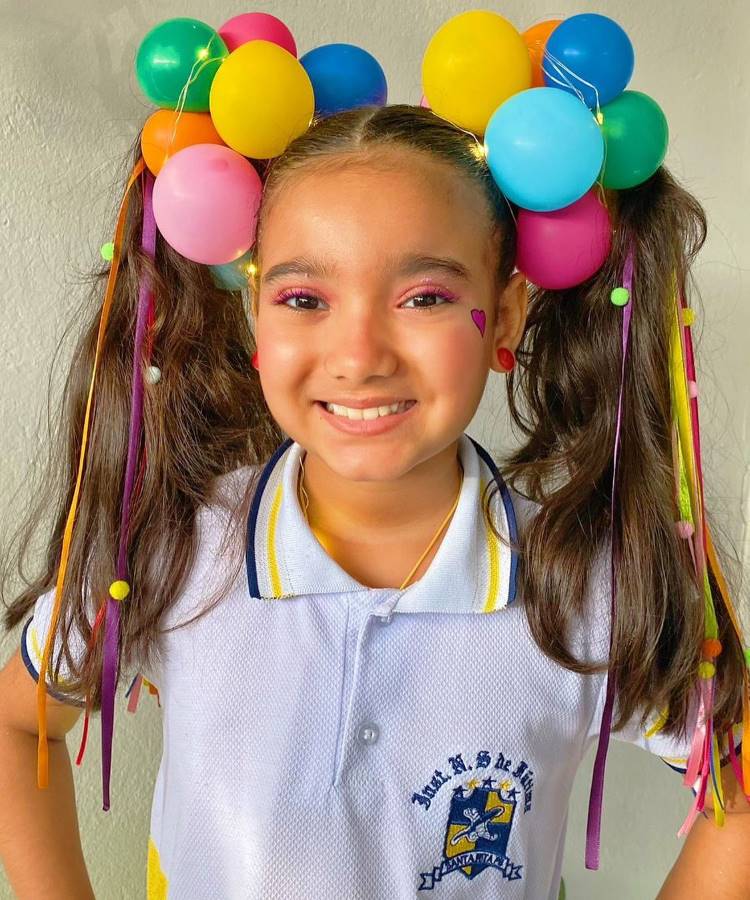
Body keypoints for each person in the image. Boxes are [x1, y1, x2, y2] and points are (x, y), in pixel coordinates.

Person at [0, 99, 747, 898]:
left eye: (423, 297)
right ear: (254, 318)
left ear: (506, 315)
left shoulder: (587, 583)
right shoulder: (166, 542)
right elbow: (19, 724)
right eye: (304, 299)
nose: (358, 357)